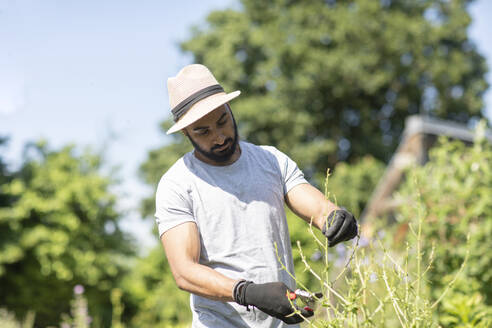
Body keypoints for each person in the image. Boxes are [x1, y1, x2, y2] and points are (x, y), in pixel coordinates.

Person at [155, 64, 358, 327]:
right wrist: (247, 293)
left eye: (222, 121)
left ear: (230, 110)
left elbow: (316, 206)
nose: (219, 137)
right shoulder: (177, 184)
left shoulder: (271, 160)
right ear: (185, 132)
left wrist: (334, 217)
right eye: (202, 131)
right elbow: (184, 272)